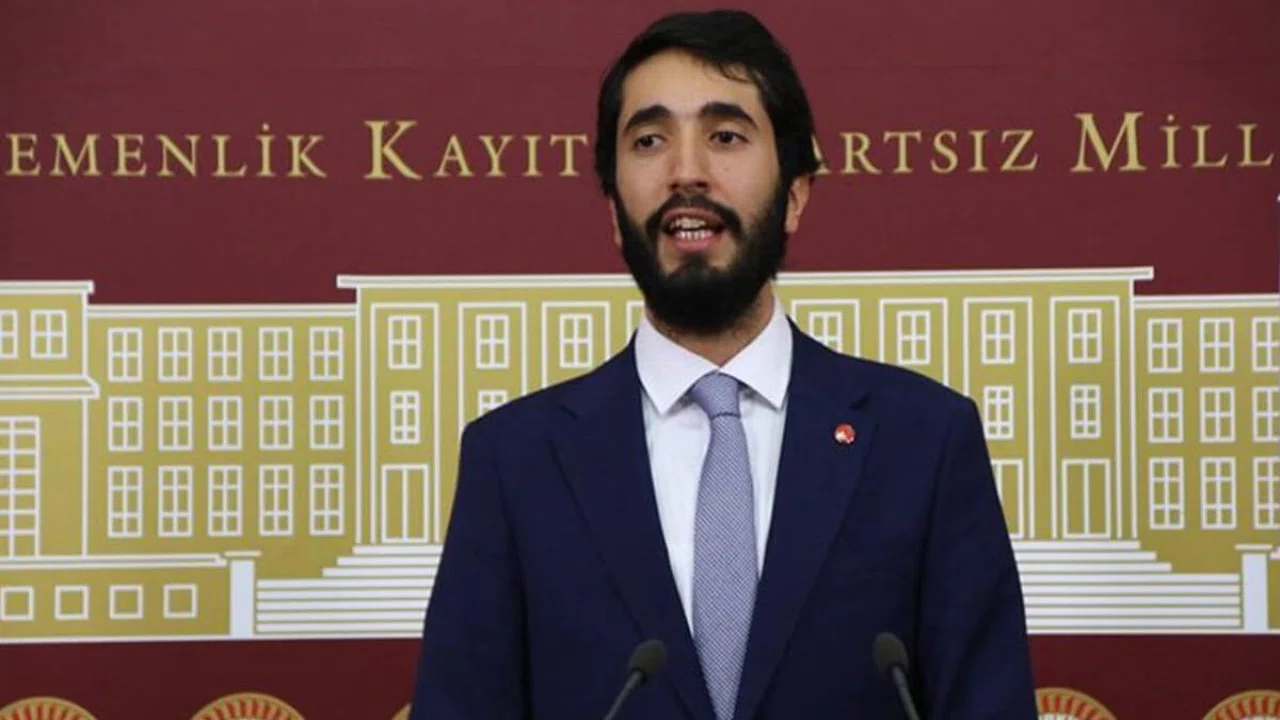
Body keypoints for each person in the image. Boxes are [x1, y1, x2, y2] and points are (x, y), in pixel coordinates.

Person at [408, 9, 1037, 719]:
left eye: (726, 136)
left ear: (794, 194)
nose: (687, 172)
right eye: (650, 140)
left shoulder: (923, 442)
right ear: (613, 209)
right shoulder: (515, 461)